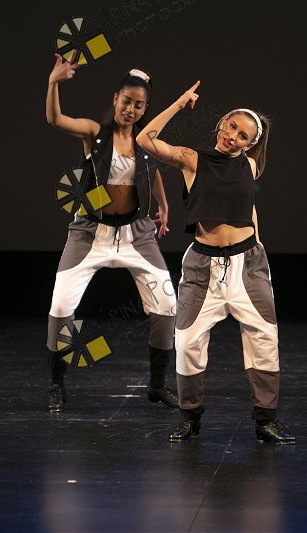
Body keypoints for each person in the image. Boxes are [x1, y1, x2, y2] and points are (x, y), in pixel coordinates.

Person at [136, 81, 295, 444]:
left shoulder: (250, 165)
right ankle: (190, 418)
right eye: (231, 126)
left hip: (247, 264)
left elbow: (249, 208)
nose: (232, 136)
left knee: (264, 339)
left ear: (249, 144)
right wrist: (178, 104)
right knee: (188, 342)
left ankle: (266, 420)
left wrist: (257, 248)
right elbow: (145, 139)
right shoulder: (193, 160)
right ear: (222, 123)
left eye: (242, 135)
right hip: (202, 268)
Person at [45, 54, 178, 412]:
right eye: (126, 101)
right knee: (60, 307)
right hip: (90, 233)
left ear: (145, 108)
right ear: (115, 99)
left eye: (139, 105)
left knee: (167, 304)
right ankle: (57, 382)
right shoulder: (95, 133)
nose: (130, 109)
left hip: (136, 234)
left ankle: (157, 385)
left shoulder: (145, 141)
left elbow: (153, 172)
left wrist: (163, 205)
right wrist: (54, 82)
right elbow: (56, 119)